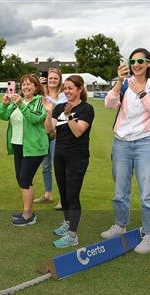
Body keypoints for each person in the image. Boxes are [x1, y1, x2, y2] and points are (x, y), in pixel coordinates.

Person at [101, 48, 150, 254]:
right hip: (121, 142)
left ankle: (149, 234)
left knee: (148, 192)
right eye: (133, 61)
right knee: (119, 190)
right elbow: (109, 104)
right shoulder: (124, 82)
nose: (136, 64)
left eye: (141, 60)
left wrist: (141, 92)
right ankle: (120, 225)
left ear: (149, 62)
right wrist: (119, 82)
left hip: (145, 143)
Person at [43, 75, 95, 247]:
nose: (67, 91)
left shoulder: (86, 109)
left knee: (72, 194)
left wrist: (69, 116)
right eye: (65, 88)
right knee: (63, 192)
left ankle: (73, 235)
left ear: (80, 89)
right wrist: (50, 111)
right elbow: (49, 131)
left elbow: (79, 132)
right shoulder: (59, 108)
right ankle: (67, 222)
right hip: (60, 155)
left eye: (70, 88)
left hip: (77, 158)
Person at [0, 74, 48, 225]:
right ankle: (27, 211)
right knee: (22, 179)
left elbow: (35, 119)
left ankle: (28, 216)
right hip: (18, 145)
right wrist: (5, 104)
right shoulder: (17, 100)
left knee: (25, 180)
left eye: (29, 84)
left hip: (34, 147)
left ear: (36, 87)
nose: (26, 87)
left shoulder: (40, 101)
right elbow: (3, 116)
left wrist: (21, 104)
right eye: (24, 84)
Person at [35, 68, 67, 209]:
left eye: (55, 78)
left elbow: (57, 109)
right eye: (50, 78)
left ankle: (63, 198)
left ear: (60, 80)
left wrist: (45, 97)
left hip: (58, 133)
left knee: (59, 167)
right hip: (43, 133)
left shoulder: (63, 95)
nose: (52, 80)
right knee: (46, 166)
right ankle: (48, 194)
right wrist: (39, 88)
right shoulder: (42, 92)